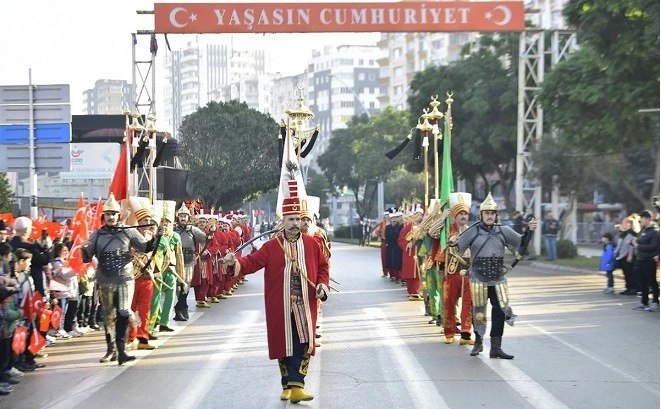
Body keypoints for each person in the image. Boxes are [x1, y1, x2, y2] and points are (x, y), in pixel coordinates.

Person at [222, 180, 330, 403]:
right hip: (279, 302)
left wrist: (322, 284)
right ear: (282, 221)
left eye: (298, 219)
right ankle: (287, 385)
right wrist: (234, 262)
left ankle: (297, 383)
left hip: (304, 301)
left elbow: (323, 267)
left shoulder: (312, 244)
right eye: (290, 219)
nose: (294, 223)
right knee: (284, 342)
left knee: (304, 340)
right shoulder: (272, 247)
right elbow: (251, 263)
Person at [449, 192, 538, 359]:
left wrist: (529, 231)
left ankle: (496, 347)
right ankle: (478, 341)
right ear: (481, 214)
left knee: (499, 312)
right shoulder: (472, 230)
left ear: (496, 215)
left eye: (492, 213)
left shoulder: (503, 230)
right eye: (486, 213)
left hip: (498, 278)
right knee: (479, 312)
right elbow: (457, 248)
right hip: (478, 277)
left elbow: (521, 243)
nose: (489, 216)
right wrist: (453, 242)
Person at [81, 193, 156, 365]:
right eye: (108, 214)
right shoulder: (97, 235)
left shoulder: (128, 231)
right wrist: (83, 248)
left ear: (118, 215)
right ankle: (111, 350)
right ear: (104, 216)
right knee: (108, 316)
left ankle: (122, 350)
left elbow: (145, 248)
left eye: (114, 214)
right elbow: (86, 258)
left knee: (123, 312)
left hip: (125, 278)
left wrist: (155, 237)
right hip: (105, 279)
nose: (111, 217)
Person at [442, 192, 475, 345]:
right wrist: (441, 217)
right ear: (454, 216)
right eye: (460, 213)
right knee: (449, 302)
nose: (463, 216)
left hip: (468, 271)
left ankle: (466, 333)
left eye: (465, 213)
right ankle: (449, 331)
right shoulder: (447, 230)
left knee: (468, 303)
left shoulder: (472, 231)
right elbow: (431, 233)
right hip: (452, 271)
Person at [149, 201, 185, 334]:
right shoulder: (154, 237)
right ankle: (154, 323)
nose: (164, 225)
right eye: (162, 221)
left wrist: (182, 277)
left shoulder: (175, 236)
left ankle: (165, 322)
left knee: (170, 299)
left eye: (167, 222)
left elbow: (179, 256)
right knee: (155, 299)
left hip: (172, 272)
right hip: (157, 271)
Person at [173, 203, 206, 321]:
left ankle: (181, 308)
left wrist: (200, 254)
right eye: (181, 216)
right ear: (178, 217)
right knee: (178, 287)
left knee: (186, 286)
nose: (183, 218)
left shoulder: (193, 230)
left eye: (185, 216)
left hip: (189, 262)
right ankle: (182, 307)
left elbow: (205, 240)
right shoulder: (173, 230)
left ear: (188, 217)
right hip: (176, 263)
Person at [632, 210, 660, 312]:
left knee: (652, 282)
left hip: (649, 260)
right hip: (640, 260)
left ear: (648, 219)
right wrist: (634, 242)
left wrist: (638, 245)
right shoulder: (642, 231)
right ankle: (644, 302)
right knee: (642, 282)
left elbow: (653, 246)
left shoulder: (655, 232)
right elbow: (638, 243)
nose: (640, 221)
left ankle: (656, 302)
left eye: (642, 219)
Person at [398, 208, 424, 300]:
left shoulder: (423, 226)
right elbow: (401, 240)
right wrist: (407, 244)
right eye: (417, 215)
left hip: (421, 251)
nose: (419, 217)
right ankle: (412, 292)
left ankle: (417, 291)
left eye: (420, 215)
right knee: (411, 273)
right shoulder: (408, 227)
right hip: (410, 253)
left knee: (419, 272)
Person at [614, 215, 638, 295]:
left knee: (630, 273)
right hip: (623, 256)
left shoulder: (631, 234)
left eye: (623, 223)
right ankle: (627, 288)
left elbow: (631, 245)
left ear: (628, 224)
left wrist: (630, 255)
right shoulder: (623, 233)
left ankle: (632, 289)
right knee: (626, 273)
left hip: (628, 256)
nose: (622, 224)